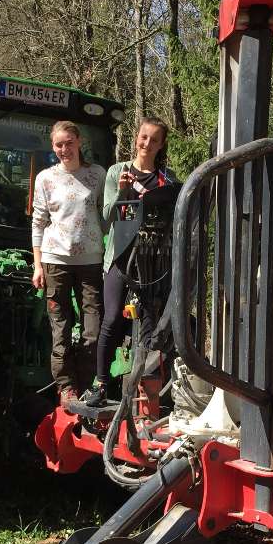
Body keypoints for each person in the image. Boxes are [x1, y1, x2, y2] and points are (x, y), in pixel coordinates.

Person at [82, 118, 177, 414]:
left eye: (153, 139)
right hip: (122, 257)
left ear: (161, 145)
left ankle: (147, 390)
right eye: (143, 137)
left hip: (153, 260)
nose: (146, 143)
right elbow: (106, 217)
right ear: (136, 138)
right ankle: (100, 385)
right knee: (112, 320)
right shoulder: (116, 172)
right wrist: (124, 193)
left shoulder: (167, 179)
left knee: (151, 324)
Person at [31, 120, 107, 407]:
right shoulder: (45, 179)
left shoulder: (96, 174)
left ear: (79, 142)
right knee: (60, 328)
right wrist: (38, 265)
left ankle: (88, 386)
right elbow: (38, 222)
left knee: (92, 330)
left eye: (69, 142)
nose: (64, 149)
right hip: (55, 261)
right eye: (58, 144)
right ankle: (67, 388)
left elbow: (107, 211)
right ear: (53, 147)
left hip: (90, 262)